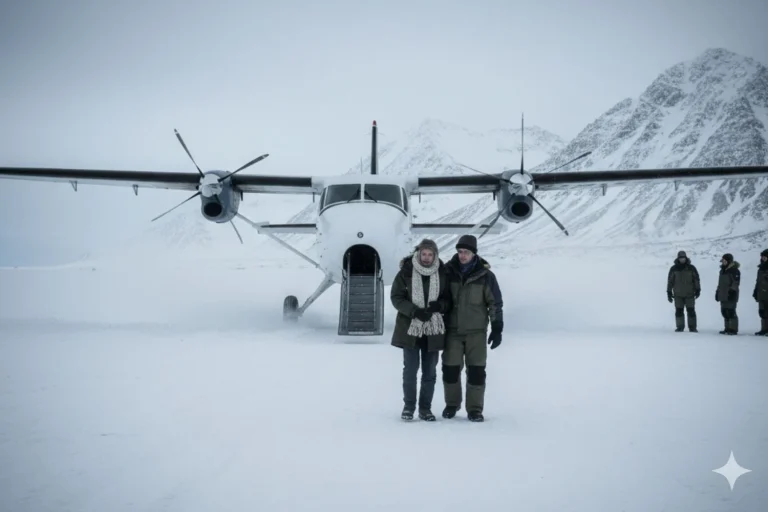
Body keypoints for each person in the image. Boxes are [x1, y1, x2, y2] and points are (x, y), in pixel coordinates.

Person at [440, 234, 503, 422]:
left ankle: (475, 409)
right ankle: (452, 404)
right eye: (459, 252)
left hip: (477, 333)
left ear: (474, 253)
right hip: (453, 331)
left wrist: (497, 327)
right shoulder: (448, 272)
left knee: (476, 372)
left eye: (466, 252)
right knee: (450, 370)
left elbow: (495, 304)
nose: (462, 255)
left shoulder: (486, 276)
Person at [390, 238, 451, 421]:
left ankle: (425, 408)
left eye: (430, 254)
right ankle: (408, 407)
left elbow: (448, 300)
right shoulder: (406, 272)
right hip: (410, 329)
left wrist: (438, 307)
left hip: (433, 330)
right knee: (410, 370)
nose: (426, 258)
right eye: (423, 254)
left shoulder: (443, 273)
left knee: (430, 372)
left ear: (435, 255)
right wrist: (414, 311)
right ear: (418, 253)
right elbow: (396, 297)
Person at [666, 250, 701, 332]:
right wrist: (669, 292)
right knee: (679, 311)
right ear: (678, 258)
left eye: (683, 258)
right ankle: (680, 327)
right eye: (681, 258)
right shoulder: (673, 269)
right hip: (678, 295)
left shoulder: (691, 268)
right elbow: (670, 282)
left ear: (686, 258)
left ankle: (692, 328)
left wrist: (698, 289)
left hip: (690, 294)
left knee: (691, 311)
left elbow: (696, 280)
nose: (682, 259)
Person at [715, 253, 741, 335]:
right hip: (723, 294)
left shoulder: (734, 270)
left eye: (724, 260)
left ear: (729, 261)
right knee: (724, 311)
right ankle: (727, 328)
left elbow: (736, 282)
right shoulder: (722, 271)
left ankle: (733, 329)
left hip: (731, 294)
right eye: (722, 260)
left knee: (731, 311)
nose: (723, 262)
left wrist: (732, 291)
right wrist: (717, 292)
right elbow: (720, 283)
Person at [753, 248, 768, 336]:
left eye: (765, 257)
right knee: (762, 312)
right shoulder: (761, 268)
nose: (763, 258)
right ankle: (764, 329)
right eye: (762, 257)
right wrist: (755, 291)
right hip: (761, 293)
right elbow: (758, 281)